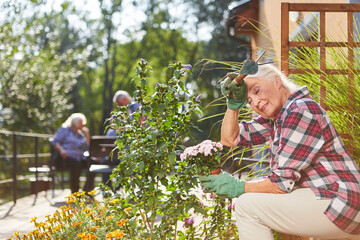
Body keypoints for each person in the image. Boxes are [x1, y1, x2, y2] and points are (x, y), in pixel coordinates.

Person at [199, 63, 360, 239]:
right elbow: (230, 139)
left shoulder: (299, 110)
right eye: (249, 101)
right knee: (250, 201)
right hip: (331, 199)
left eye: (257, 90)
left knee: (247, 205)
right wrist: (233, 105)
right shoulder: (278, 118)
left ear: (276, 81)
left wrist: (237, 187)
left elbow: (280, 184)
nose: (256, 102)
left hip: (342, 201)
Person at [52, 113, 94, 193]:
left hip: (80, 157)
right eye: (80, 122)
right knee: (76, 164)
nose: (82, 124)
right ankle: (75, 192)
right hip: (65, 157)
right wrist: (61, 150)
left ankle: (87, 191)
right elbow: (55, 142)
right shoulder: (64, 130)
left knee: (92, 164)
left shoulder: (80, 134)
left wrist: (87, 134)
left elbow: (87, 147)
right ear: (74, 122)